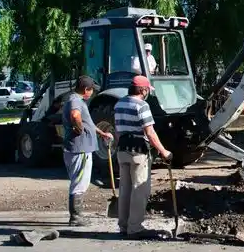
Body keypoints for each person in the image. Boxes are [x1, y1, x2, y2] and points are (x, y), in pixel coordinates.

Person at [114, 75, 172, 238]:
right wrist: (164, 151)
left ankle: (123, 226)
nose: (147, 92)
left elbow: (118, 131)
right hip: (138, 151)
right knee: (140, 189)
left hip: (122, 150)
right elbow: (150, 132)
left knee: (125, 189)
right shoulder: (142, 105)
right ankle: (135, 228)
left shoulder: (119, 103)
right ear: (142, 90)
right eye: (147, 90)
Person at [62, 75, 113, 226]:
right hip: (80, 150)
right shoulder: (75, 100)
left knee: (80, 181)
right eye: (92, 90)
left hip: (79, 149)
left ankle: (77, 216)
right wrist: (79, 130)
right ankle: (76, 217)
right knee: (79, 182)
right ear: (86, 89)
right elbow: (75, 116)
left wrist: (102, 134)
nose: (92, 93)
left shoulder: (76, 100)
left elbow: (88, 123)